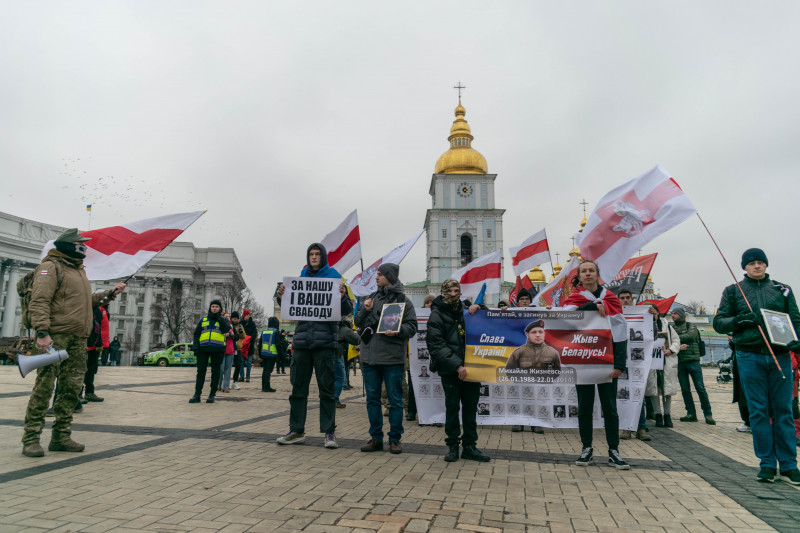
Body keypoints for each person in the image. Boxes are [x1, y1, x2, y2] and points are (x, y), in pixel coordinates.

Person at [22, 228, 125, 457]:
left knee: (71, 388)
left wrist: (109, 294)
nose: (84, 247)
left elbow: (84, 302)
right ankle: (31, 438)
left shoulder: (78, 270)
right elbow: (40, 301)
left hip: (78, 337)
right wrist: (42, 332)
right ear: (68, 245)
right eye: (80, 244)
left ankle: (61, 436)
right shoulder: (51, 267)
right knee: (45, 386)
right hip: (54, 336)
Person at [713, 248, 800, 484]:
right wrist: (741, 320)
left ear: (766, 265)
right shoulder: (733, 291)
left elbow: (795, 320)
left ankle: (790, 465)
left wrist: (797, 342)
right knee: (759, 411)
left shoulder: (782, 289)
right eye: (752, 263)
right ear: (745, 267)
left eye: (761, 262)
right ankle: (767, 464)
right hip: (749, 356)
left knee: (784, 411)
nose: (757, 266)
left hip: (779, 355)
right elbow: (719, 322)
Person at [275, 243, 353, 449]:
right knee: (298, 389)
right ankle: (296, 430)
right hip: (301, 341)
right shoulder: (301, 278)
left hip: (325, 342)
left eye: (318, 254)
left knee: (326, 390)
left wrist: (343, 295)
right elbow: (290, 307)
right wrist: (280, 296)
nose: (314, 257)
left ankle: (329, 432)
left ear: (324, 257)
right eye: (311, 254)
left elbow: (346, 309)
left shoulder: (335, 277)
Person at [562, 260, 630, 470]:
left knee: (610, 408)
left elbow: (620, 332)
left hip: (607, 362)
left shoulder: (610, 298)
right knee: (584, 408)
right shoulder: (573, 298)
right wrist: (591, 306)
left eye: (591, 270)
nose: (588, 274)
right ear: (579, 277)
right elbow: (565, 319)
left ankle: (613, 450)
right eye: (584, 271)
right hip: (582, 361)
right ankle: (586, 449)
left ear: (597, 274)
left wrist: (619, 363)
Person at [355, 263, 418, 455]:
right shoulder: (371, 298)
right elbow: (357, 322)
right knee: (372, 400)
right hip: (369, 358)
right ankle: (375, 438)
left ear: (389, 276)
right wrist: (365, 310)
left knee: (395, 401)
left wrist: (398, 331)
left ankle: (395, 439)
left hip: (392, 359)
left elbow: (412, 327)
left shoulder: (404, 301)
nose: (376, 278)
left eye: (380, 274)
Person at [427, 279, 490, 462]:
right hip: (451, 370)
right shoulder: (437, 314)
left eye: (456, 290)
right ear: (443, 291)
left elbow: (487, 325)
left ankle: (470, 446)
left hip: (471, 369)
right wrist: (457, 365)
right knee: (452, 409)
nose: (454, 294)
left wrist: (480, 309)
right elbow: (436, 345)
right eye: (450, 291)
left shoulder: (466, 309)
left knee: (470, 409)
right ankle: (453, 446)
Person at [616, 290, 651, 442]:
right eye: (622, 298)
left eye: (627, 298)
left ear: (632, 299)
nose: (625, 300)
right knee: (622, 396)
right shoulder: (614, 314)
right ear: (618, 300)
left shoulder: (644, 314)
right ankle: (625, 428)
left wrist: (653, 318)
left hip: (637, 363)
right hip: (620, 362)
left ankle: (641, 428)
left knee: (638, 395)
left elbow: (652, 335)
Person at [509, 288, 545, 434]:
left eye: (527, 299)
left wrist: (550, 309)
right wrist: (503, 310)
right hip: (518, 359)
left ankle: (535, 423)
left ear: (530, 301)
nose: (525, 301)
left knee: (534, 392)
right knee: (519, 392)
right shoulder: (512, 314)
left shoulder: (536, 314)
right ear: (517, 302)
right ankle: (518, 422)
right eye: (522, 299)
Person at [672, 308, 715, 425]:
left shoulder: (691, 325)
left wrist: (675, 339)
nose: (673, 316)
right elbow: (669, 339)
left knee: (700, 388)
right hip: (680, 362)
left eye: (675, 314)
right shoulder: (672, 327)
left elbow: (690, 336)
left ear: (681, 315)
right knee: (685, 390)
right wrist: (675, 340)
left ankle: (708, 414)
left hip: (693, 361)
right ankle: (691, 413)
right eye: (672, 314)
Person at [189, 299, 231, 404]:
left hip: (218, 349)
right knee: (200, 372)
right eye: (213, 306)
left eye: (217, 306)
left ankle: (212, 395)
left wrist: (220, 319)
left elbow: (227, 331)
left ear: (220, 308)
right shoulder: (203, 320)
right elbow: (196, 334)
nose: (214, 308)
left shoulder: (223, 320)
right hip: (203, 349)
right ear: (210, 308)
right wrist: (195, 347)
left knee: (215, 372)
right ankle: (197, 395)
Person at [645, 305, 680, 429]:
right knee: (654, 389)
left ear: (658, 313)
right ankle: (658, 414)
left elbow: (676, 341)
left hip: (666, 360)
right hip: (653, 361)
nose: (652, 315)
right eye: (650, 313)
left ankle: (667, 415)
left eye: (654, 312)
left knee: (667, 390)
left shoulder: (667, 326)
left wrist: (670, 350)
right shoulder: (644, 326)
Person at [82, 304, 105, 403]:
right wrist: (99, 342)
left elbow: (100, 327)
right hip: (89, 344)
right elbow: (96, 327)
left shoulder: (101, 310)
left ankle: (89, 392)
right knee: (81, 370)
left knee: (91, 369)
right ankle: (78, 394)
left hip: (94, 345)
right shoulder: (95, 308)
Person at [336, 319, 360, 406]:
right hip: (336, 356)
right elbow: (357, 340)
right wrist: (356, 333)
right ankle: (335, 400)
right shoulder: (344, 329)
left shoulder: (326, 327)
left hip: (323, 356)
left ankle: (326, 399)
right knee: (339, 378)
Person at [259, 317, 283, 392]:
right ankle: (266, 387)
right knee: (268, 371)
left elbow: (260, 344)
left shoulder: (264, 331)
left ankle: (264, 386)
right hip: (272, 354)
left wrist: (260, 353)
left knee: (265, 370)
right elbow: (278, 344)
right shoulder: (276, 332)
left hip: (264, 353)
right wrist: (280, 354)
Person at [219, 312, 240, 393]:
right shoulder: (219, 326)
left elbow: (237, 337)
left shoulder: (231, 326)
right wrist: (224, 335)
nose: (228, 318)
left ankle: (226, 387)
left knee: (228, 370)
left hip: (230, 350)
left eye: (229, 316)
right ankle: (218, 385)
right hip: (221, 350)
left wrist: (232, 335)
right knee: (221, 369)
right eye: (226, 316)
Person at [229, 312, 245, 390]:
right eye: (234, 318)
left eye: (236, 319)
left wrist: (239, 332)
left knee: (238, 365)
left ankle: (235, 382)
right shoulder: (229, 325)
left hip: (237, 348)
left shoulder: (240, 326)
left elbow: (243, 336)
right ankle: (226, 382)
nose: (235, 320)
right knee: (227, 366)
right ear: (231, 319)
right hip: (229, 348)